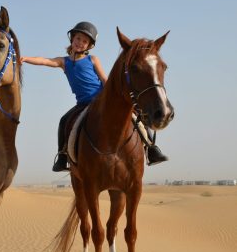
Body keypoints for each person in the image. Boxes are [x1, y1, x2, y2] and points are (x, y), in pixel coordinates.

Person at [21, 22, 168, 172]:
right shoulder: (63, 62)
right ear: (72, 39)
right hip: (83, 103)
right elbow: (45, 60)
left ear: (89, 46)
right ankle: (63, 156)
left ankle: (151, 148)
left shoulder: (93, 60)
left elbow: (105, 80)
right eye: (78, 39)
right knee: (64, 121)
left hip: (102, 100)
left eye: (85, 41)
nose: (80, 43)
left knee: (135, 116)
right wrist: (26, 59)